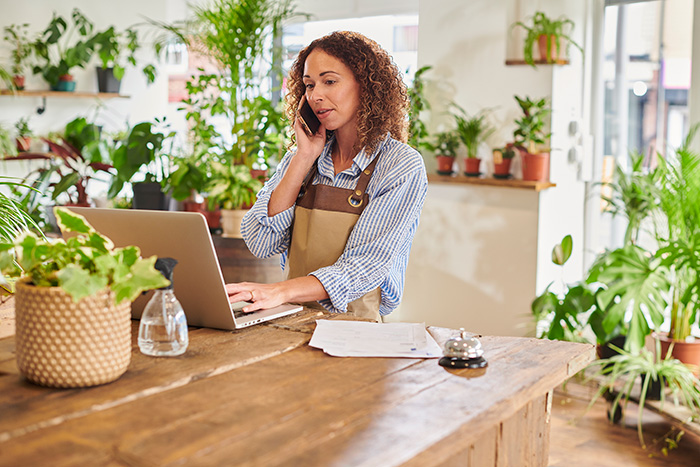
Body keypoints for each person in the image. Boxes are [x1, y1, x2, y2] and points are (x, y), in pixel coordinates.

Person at [225, 31, 427, 322]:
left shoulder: (401, 165)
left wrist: (281, 291)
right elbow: (261, 241)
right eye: (309, 85)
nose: (315, 95)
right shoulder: (302, 158)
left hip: (355, 328)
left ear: (367, 87)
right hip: (291, 320)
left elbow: (364, 265)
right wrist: (304, 158)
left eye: (329, 81)